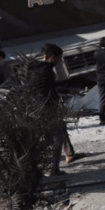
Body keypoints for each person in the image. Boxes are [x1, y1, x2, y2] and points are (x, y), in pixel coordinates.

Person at [31, 43, 74, 176]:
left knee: (57, 134)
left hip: (40, 109)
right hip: (46, 109)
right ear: (52, 58)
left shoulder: (38, 68)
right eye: (59, 58)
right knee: (56, 137)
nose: (60, 60)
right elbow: (43, 92)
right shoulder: (45, 71)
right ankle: (53, 169)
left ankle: (68, 154)